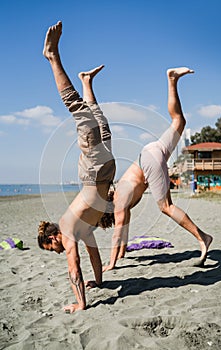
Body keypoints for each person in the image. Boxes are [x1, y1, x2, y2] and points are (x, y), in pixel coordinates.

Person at [38, 21, 115, 313]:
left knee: (79, 111)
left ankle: (52, 55)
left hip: (94, 171)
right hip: (106, 171)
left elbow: (74, 266)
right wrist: (100, 281)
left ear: (54, 237)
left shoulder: (70, 229)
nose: (58, 251)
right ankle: (86, 82)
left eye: (52, 248)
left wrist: (81, 303)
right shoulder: (83, 229)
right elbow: (94, 256)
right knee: (102, 125)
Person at [102, 67, 213, 272]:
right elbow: (123, 231)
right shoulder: (120, 198)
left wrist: (111, 264)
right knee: (179, 121)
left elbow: (118, 232)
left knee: (166, 207)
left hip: (149, 160)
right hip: (150, 153)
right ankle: (172, 80)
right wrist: (122, 253)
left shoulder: (118, 203)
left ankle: (203, 238)